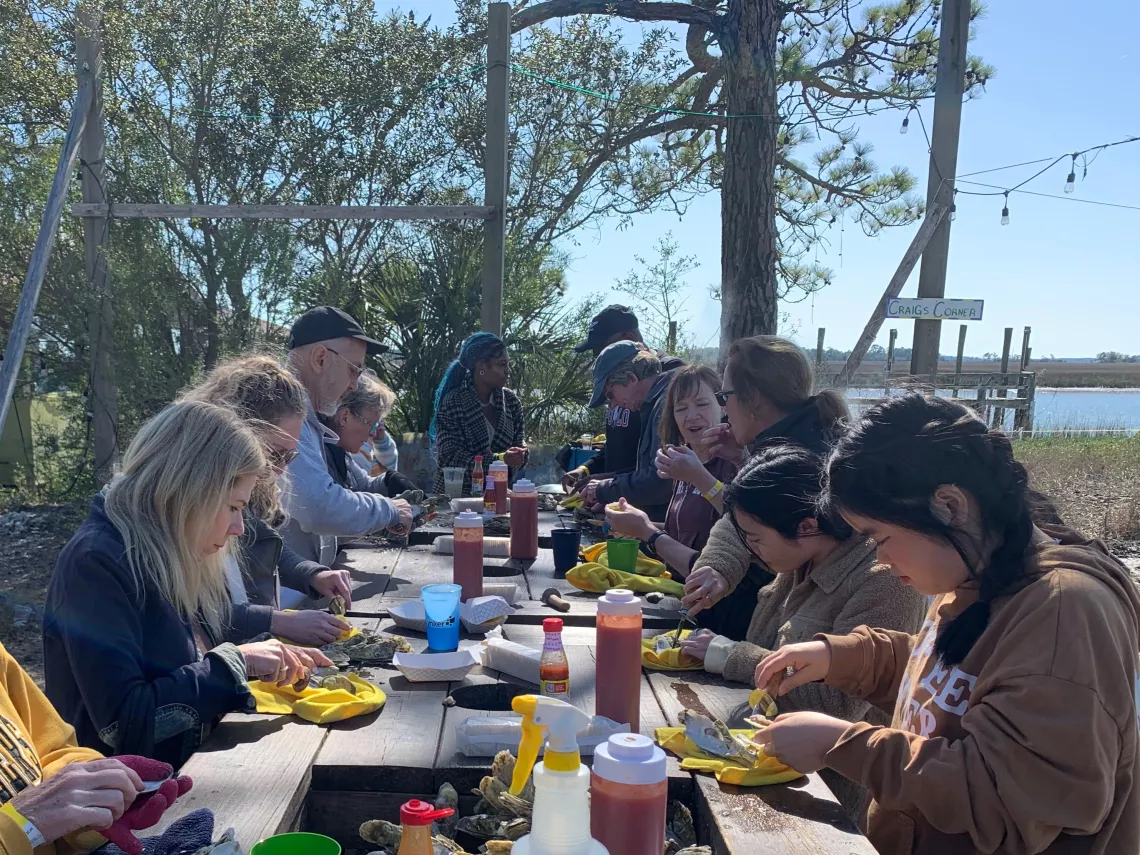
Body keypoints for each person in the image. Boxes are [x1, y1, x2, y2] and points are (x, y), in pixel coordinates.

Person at [753, 394, 1140, 855]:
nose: (880, 557)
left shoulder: (1064, 612)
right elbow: (950, 677)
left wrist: (841, 743)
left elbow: (1009, 797)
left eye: (881, 537)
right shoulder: (974, 575)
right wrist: (843, 657)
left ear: (949, 505)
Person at [44, 401, 332, 768]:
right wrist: (235, 665)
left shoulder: (162, 547)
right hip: (121, 804)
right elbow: (122, 724)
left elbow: (189, 640)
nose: (239, 528)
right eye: (232, 506)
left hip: (185, 770)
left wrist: (264, 649)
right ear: (189, 490)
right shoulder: (97, 563)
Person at [676, 444, 925, 819]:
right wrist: (719, 567)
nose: (751, 550)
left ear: (807, 527)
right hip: (766, 764)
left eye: (756, 539)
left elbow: (836, 705)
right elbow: (734, 525)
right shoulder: (804, 552)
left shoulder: (886, 582)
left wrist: (732, 656)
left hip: (823, 800)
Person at [682, 336, 849, 636]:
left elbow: (750, 521)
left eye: (724, 397)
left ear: (754, 398)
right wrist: (743, 458)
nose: (723, 410)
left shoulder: (799, 458)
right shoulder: (805, 437)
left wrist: (717, 568)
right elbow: (748, 517)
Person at [181, 355, 354, 646]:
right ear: (234, 433)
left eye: (290, 456)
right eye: (273, 454)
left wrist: (311, 574)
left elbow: (260, 542)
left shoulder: (244, 492)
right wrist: (278, 621)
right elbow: (194, 616)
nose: (280, 469)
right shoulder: (190, 506)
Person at [281, 306, 412, 566]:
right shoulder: (281, 411)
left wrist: (389, 482)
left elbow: (352, 487)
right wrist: (389, 510)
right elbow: (318, 507)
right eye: (354, 370)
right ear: (320, 358)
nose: (353, 385)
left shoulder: (307, 417)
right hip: (284, 594)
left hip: (302, 584)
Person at [602, 365, 737, 576]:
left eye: (702, 404)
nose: (691, 416)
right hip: (674, 592)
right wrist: (634, 524)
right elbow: (684, 529)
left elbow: (743, 520)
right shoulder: (682, 461)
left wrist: (648, 531)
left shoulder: (735, 462)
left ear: (723, 407)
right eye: (681, 408)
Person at [563, 305, 684, 491]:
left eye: (600, 349)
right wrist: (587, 471)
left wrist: (605, 487)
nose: (597, 357)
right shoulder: (621, 385)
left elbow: (660, 472)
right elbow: (615, 446)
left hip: (646, 503)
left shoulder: (671, 380)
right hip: (621, 493)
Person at [578, 342, 679, 521]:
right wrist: (606, 482)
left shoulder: (666, 404)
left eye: (610, 395)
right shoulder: (655, 403)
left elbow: (661, 481)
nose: (614, 405)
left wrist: (604, 489)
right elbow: (648, 470)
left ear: (631, 378)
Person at [430, 332, 527, 495]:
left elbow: (519, 442)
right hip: (455, 498)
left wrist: (520, 455)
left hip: (499, 494)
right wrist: (499, 460)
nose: (507, 371)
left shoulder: (511, 401)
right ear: (482, 366)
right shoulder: (453, 402)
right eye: (502, 364)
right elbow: (450, 459)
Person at [323, 371, 417, 497]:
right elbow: (335, 503)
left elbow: (364, 486)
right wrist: (390, 509)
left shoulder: (339, 451)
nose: (373, 434)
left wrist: (390, 480)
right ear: (345, 417)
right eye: (371, 424)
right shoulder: (318, 453)